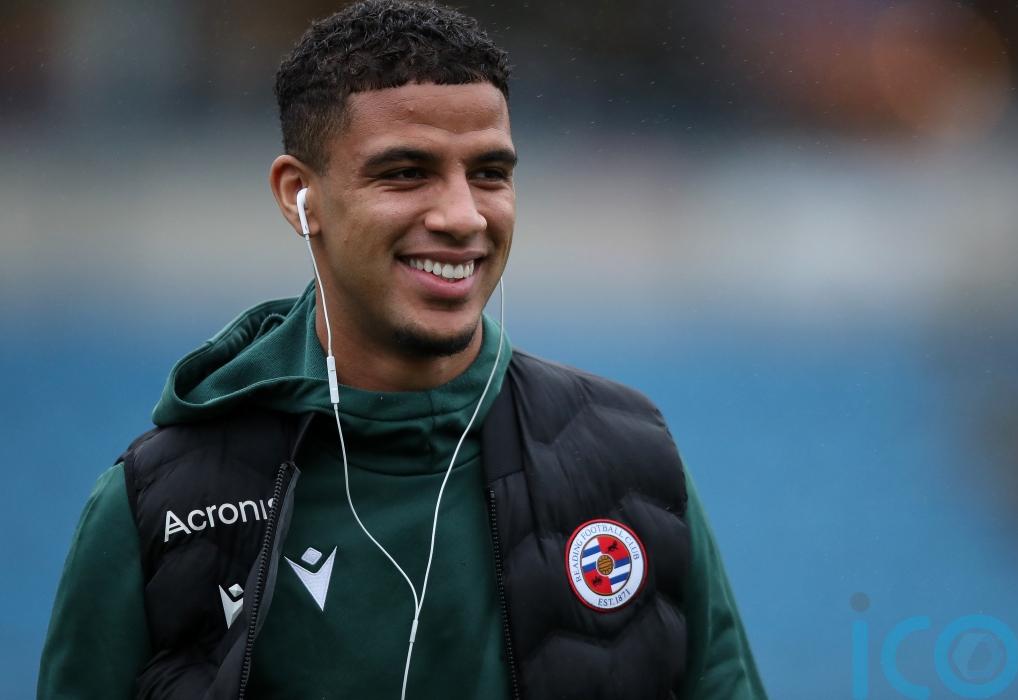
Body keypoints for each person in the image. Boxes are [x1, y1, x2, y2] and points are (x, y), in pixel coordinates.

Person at [38, 2, 765, 698]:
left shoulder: (630, 464)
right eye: (405, 173)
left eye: (490, 173)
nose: (462, 216)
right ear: (299, 196)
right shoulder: (159, 505)